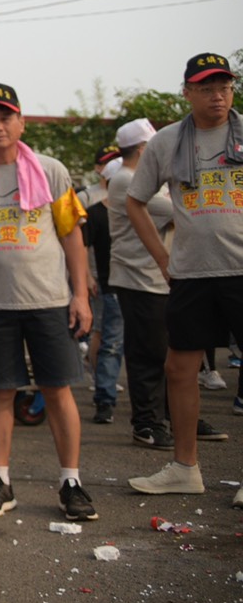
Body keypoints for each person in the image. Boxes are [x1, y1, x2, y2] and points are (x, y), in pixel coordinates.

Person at [0, 84, 97, 522]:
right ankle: (0, 481)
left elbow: (72, 234)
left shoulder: (51, 170)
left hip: (50, 299)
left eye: (5, 117)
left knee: (57, 390)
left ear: (21, 122)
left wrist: (79, 295)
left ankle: (70, 481)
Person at [126, 53, 243, 507]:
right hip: (192, 271)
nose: (217, 96)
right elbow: (136, 201)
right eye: (207, 88)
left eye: (224, 87)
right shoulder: (168, 142)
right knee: (179, 368)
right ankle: (185, 468)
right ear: (187, 92)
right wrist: (162, 257)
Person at [105, 122, 177, 449]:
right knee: (148, 353)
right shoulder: (125, 180)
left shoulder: (142, 181)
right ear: (144, 149)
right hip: (138, 278)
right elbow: (182, 210)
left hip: (156, 278)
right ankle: (147, 423)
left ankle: (174, 416)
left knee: (169, 350)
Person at [83, 143, 122, 425]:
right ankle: (104, 396)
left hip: (144, 285)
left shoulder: (145, 205)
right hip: (106, 284)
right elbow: (81, 245)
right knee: (108, 341)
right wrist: (86, 277)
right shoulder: (93, 207)